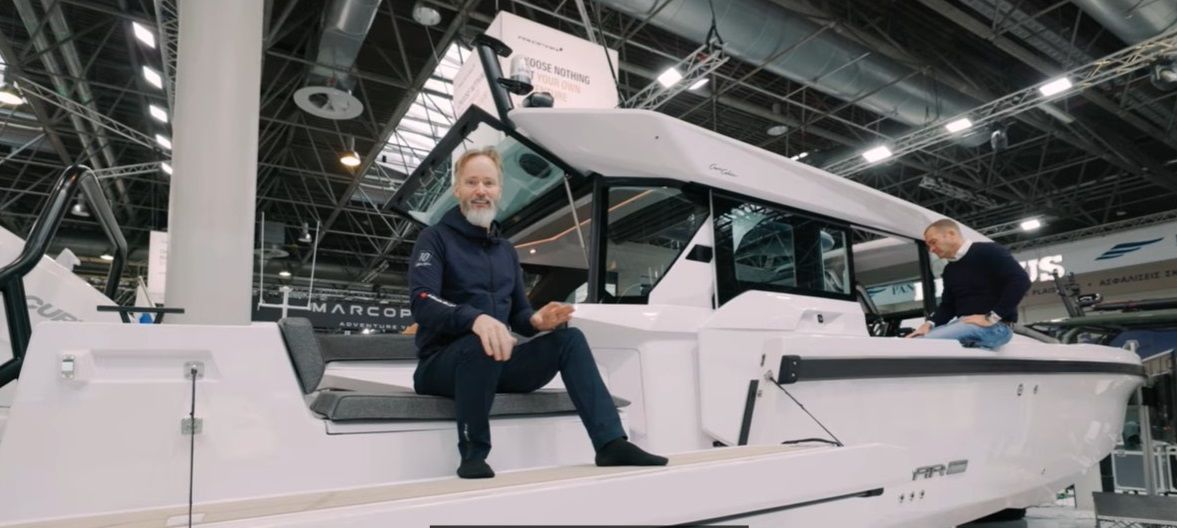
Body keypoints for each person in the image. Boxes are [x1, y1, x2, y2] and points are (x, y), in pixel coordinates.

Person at [408, 146, 667, 479]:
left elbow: (519, 313)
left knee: (570, 339)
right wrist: (475, 319)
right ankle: (473, 453)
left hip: (496, 362)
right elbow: (423, 300)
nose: (481, 191)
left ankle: (610, 443)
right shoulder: (434, 239)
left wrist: (536, 321)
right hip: (441, 366)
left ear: (499, 190)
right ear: (458, 189)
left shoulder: (505, 251)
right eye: (472, 182)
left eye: (489, 183)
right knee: (481, 342)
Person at [907, 219, 1031, 350]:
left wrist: (991, 317)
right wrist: (929, 324)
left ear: (951, 234)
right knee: (913, 341)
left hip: (996, 327)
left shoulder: (990, 251)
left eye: (933, 242)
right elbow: (949, 305)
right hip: (965, 324)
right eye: (929, 246)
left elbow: (1020, 280)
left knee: (920, 344)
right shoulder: (949, 270)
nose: (931, 249)